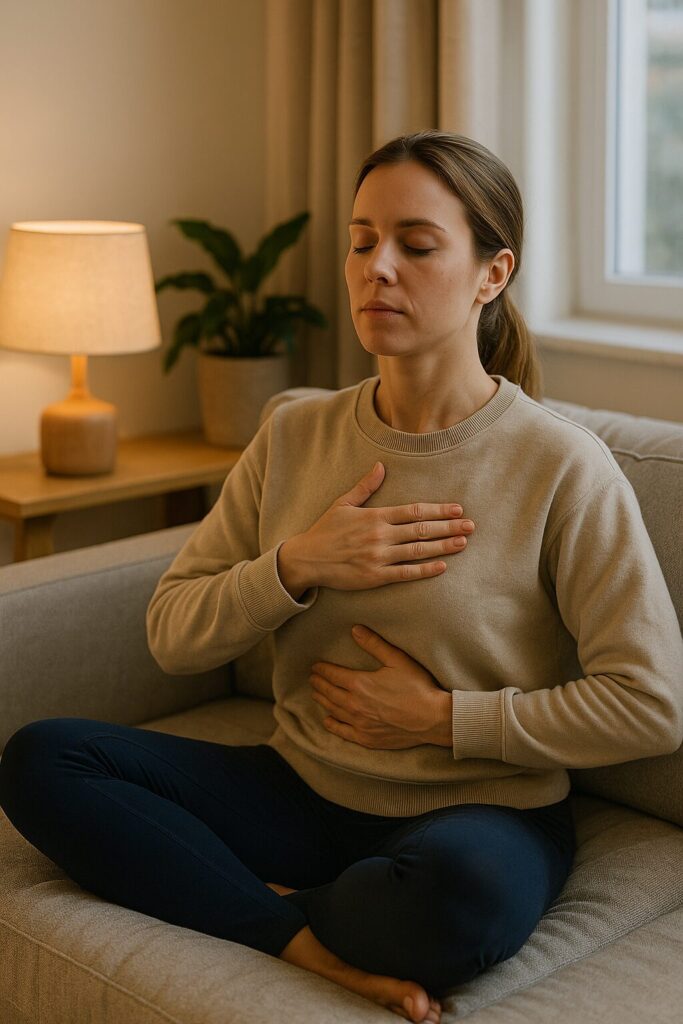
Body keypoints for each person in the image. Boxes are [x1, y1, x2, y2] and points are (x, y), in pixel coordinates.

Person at [1, 130, 682, 1024]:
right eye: (361, 241)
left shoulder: (561, 466)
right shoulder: (295, 435)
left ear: (492, 273)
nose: (377, 269)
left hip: (480, 811)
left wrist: (444, 720)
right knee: (43, 759)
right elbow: (173, 633)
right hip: (300, 785)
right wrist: (296, 565)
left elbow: (651, 703)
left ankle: (235, 892)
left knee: (458, 901)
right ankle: (303, 938)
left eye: (416, 243)